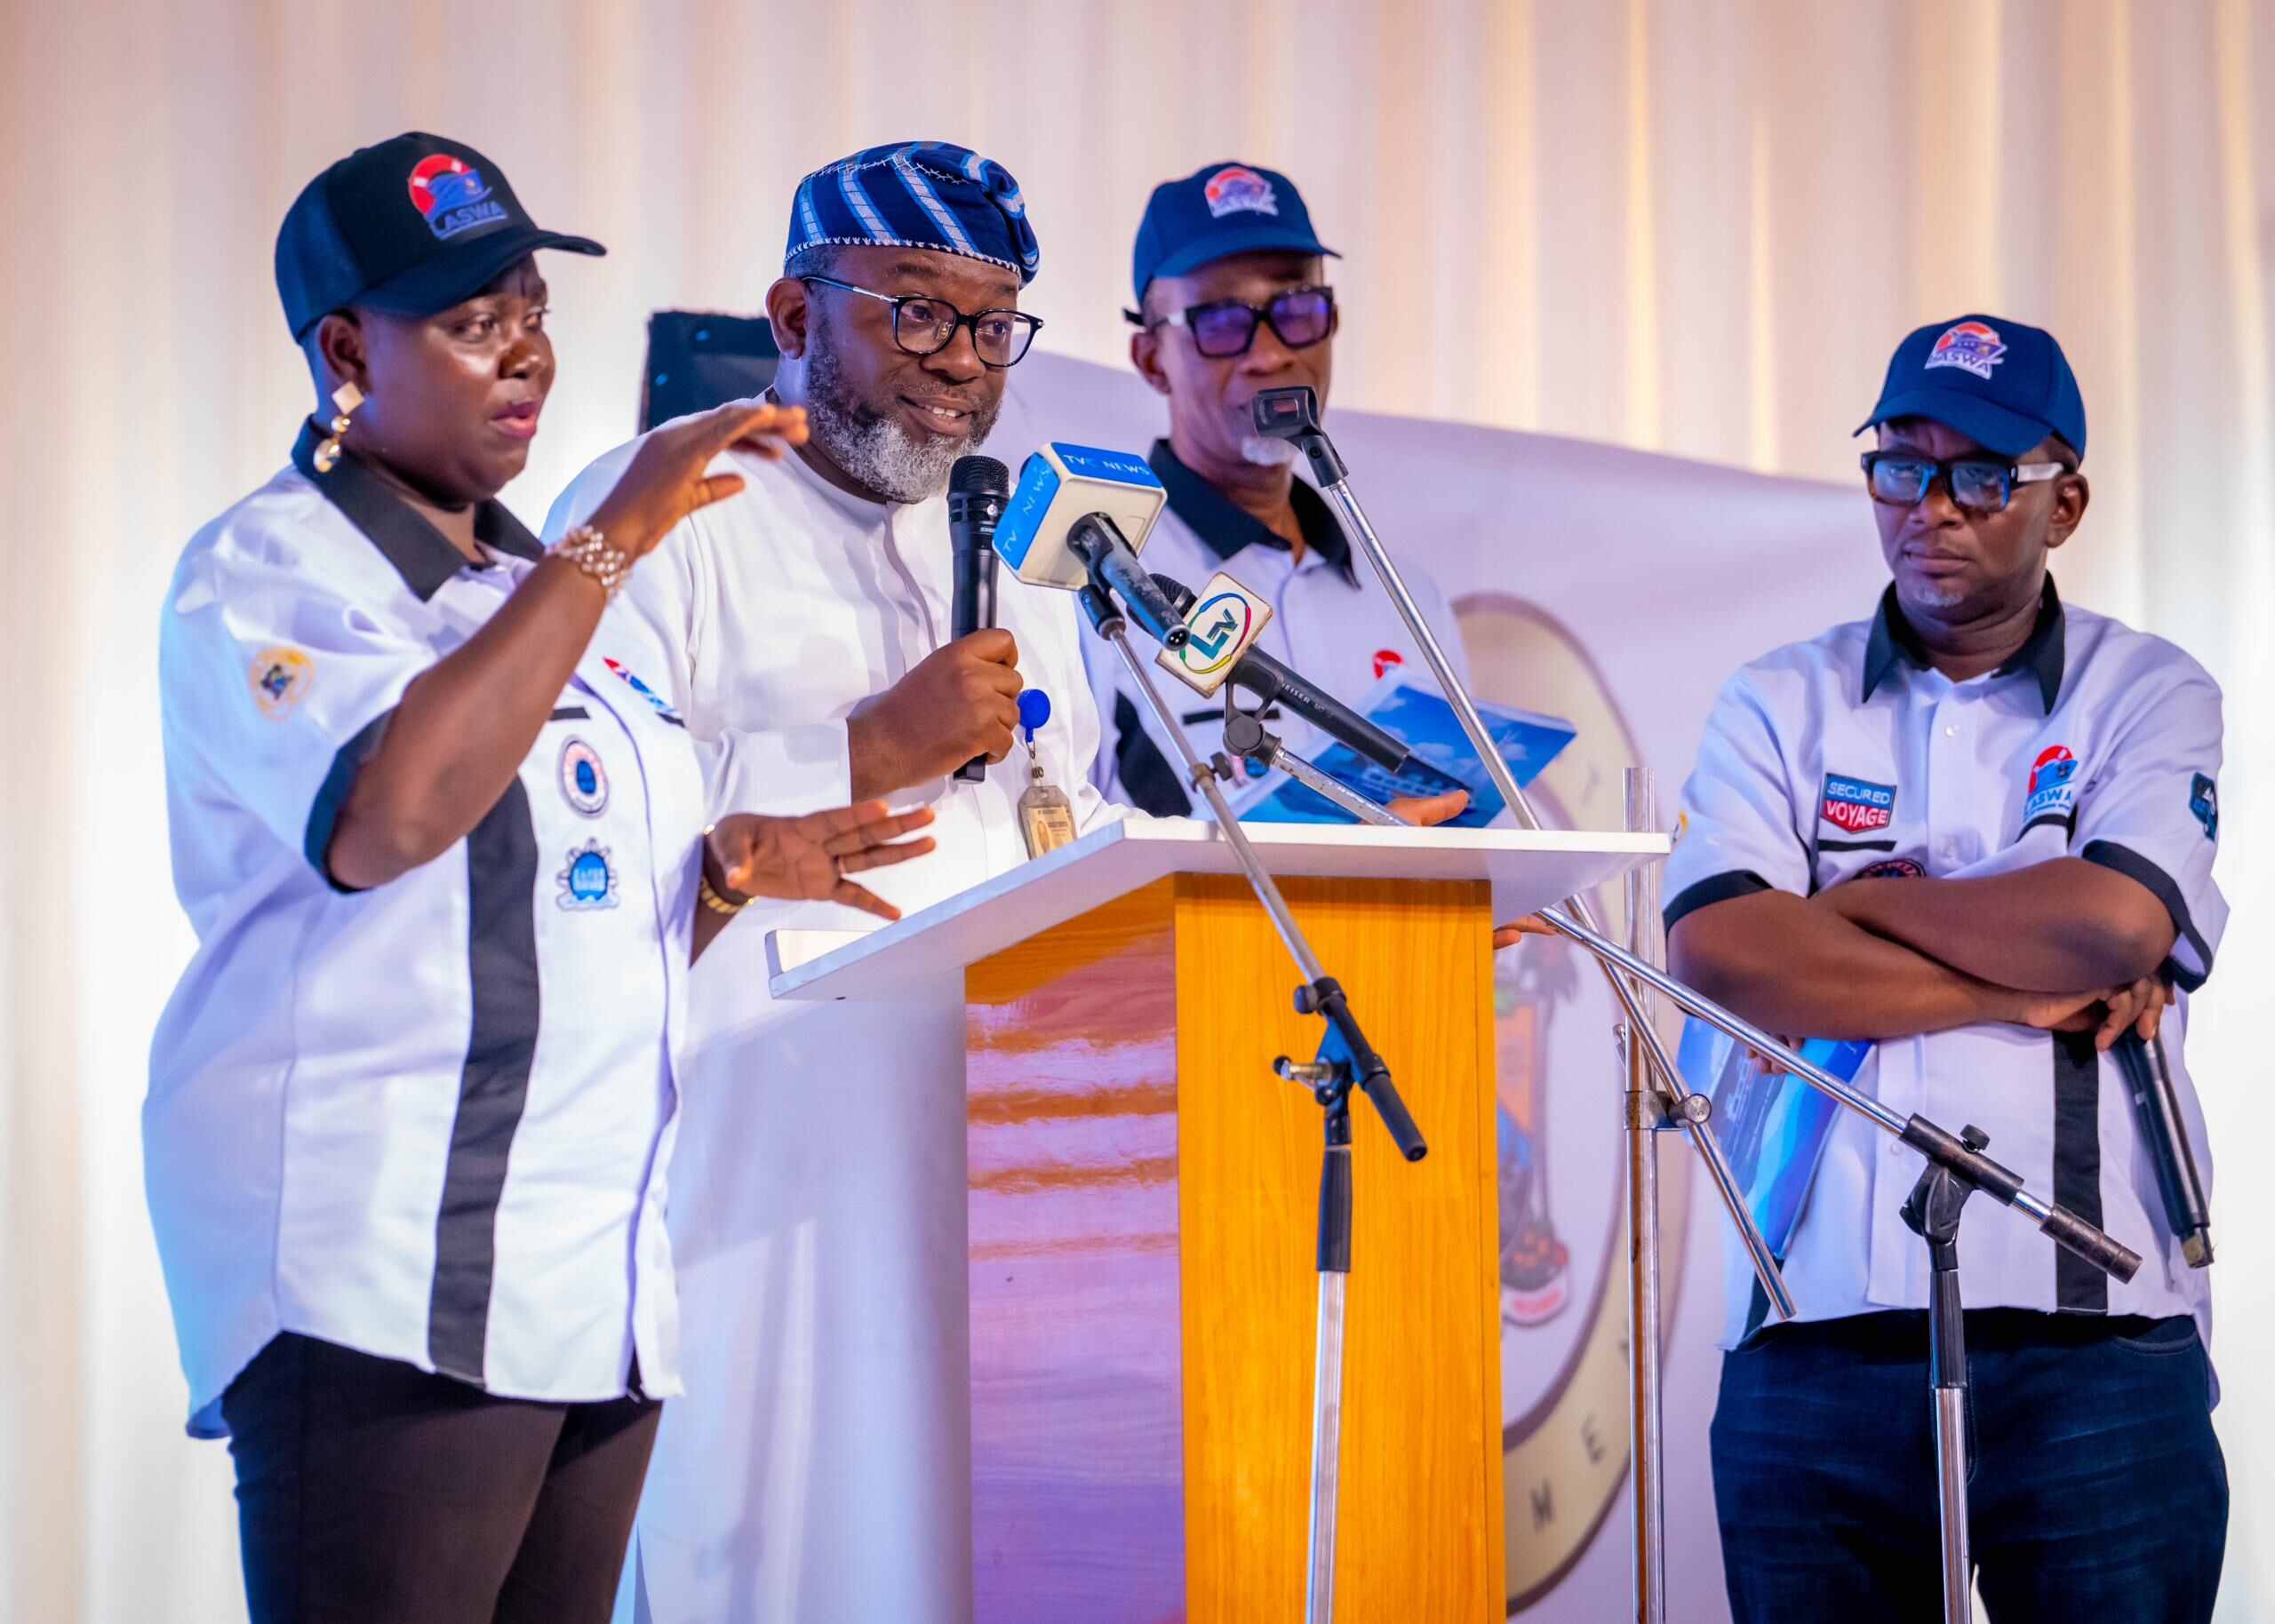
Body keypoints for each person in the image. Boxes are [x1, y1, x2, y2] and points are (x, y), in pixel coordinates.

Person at [148, 131, 935, 1624]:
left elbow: (552, 913)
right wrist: (612, 535)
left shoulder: (536, 593)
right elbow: (390, 815)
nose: (523, 355)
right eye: (466, 320)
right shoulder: (266, 570)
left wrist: (721, 877)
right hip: (388, 1285)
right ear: (342, 349)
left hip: (592, 1290)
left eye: (529, 308)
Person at [1664, 315, 2226, 1622]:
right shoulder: (1777, 699)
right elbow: (1722, 950)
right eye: (1901, 467)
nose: (1934, 509)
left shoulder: (2146, 690)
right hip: (1816, 1335)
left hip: (2095, 1341)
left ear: (2063, 501)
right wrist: (2015, 980)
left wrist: (1855, 911)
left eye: (1983, 476)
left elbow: (2114, 927)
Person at [1090, 161, 1472, 815]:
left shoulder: (1408, 597)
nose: (1270, 354)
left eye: (1297, 309)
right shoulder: (1099, 581)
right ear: (1153, 360)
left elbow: (1460, 816)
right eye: (1219, 322)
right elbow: (1063, 846)